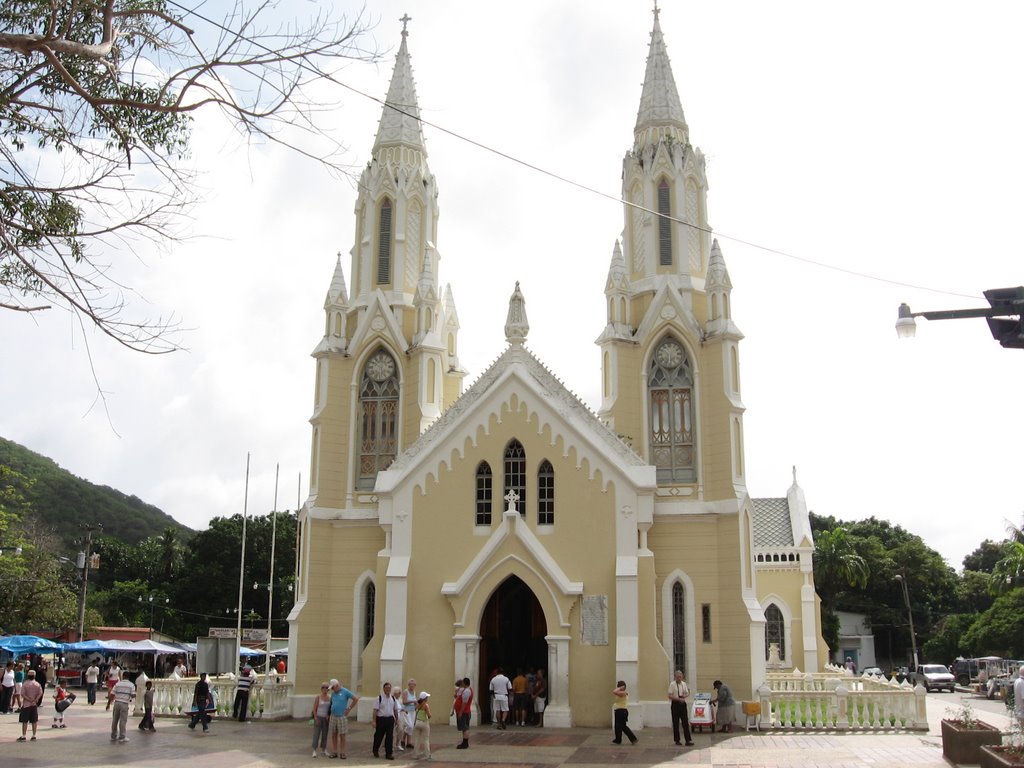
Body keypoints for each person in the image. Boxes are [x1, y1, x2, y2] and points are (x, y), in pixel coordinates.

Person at [328, 678, 359, 759]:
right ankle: (334, 751)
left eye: (332, 688)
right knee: (334, 734)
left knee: (342, 735)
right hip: (333, 716)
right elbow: (332, 703)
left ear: (337, 685)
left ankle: (343, 752)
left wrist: (349, 708)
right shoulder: (333, 694)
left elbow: (355, 699)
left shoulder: (345, 691)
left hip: (341, 716)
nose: (332, 689)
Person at [372, 681, 397, 759]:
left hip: (390, 719)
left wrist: (397, 718)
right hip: (381, 719)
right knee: (379, 736)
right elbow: (375, 710)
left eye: (389, 688)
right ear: (383, 689)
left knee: (390, 737)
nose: (388, 689)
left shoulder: (393, 698)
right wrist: (374, 721)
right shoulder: (379, 698)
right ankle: (375, 750)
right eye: (386, 688)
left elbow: (395, 709)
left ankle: (389, 754)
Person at [668, 669, 694, 746]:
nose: (679, 678)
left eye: (681, 676)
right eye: (678, 677)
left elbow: (687, 693)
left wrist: (684, 697)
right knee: (675, 723)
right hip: (675, 704)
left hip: (682, 704)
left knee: (685, 722)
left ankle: (688, 740)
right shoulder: (672, 684)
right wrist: (678, 699)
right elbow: (669, 695)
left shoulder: (684, 684)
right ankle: (677, 740)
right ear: (675, 677)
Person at [17, 669, 43, 741]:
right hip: (34, 705)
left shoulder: (25, 683)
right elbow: (40, 693)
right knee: (34, 721)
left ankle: (23, 736)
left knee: (25, 721)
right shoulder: (37, 684)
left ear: (28, 676)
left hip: (26, 705)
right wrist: (35, 699)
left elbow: (22, 694)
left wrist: (28, 699)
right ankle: (34, 735)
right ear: (34, 676)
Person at [110, 674, 135, 742]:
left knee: (115, 720)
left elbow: (112, 694)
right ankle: (122, 736)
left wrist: (109, 703)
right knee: (123, 720)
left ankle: (113, 736)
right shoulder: (131, 685)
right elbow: (133, 695)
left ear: (122, 677)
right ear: (128, 677)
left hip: (117, 702)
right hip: (124, 703)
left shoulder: (117, 684)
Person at [612, 680, 638, 745]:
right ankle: (618, 739)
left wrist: (620, 688)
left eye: (618, 686)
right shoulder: (622, 693)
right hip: (620, 711)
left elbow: (614, 691)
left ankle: (633, 739)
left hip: (621, 711)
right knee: (618, 726)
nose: (617, 687)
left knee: (622, 726)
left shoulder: (623, 693)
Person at [311, 681, 332, 758]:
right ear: (321, 689)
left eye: (327, 687)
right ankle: (314, 750)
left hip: (326, 718)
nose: (325, 689)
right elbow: (314, 708)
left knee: (325, 734)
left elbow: (330, 708)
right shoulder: (318, 697)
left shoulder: (330, 698)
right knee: (316, 734)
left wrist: (328, 715)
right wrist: (315, 717)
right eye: (323, 687)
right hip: (319, 717)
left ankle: (324, 749)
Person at [454, 677, 473, 749]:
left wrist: (460, 712)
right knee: (464, 727)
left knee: (465, 728)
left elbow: (464, 703)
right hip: (464, 711)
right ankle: (464, 742)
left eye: (462, 682)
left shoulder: (467, 691)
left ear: (464, 683)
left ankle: (465, 743)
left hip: (464, 712)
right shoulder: (465, 690)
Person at [399, 678, 418, 750]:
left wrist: (416, 705)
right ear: (408, 685)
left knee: (411, 727)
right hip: (406, 711)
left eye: (413, 685)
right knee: (409, 726)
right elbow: (404, 702)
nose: (412, 686)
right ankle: (403, 739)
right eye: (410, 684)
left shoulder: (414, 692)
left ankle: (408, 742)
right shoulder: (405, 692)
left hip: (413, 711)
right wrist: (413, 701)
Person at [413, 691, 432, 760]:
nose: (427, 698)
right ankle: (428, 755)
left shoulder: (417, 704)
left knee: (417, 739)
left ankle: (415, 755)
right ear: (425, 698)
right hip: (424, 722)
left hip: (417, 722)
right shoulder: (426, 706)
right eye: (427, 697)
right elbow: (429, 715)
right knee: (426, 739)